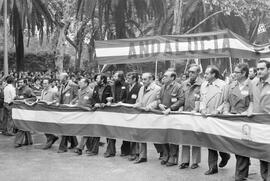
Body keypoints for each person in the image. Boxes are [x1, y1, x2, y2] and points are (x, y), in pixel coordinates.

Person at [199, 65, 231, 175]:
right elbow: (202, 99)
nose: (205, 75)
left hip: (218, 117)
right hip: (206, 117)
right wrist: (202, 109)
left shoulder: (223, 85)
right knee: (210, 141)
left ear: (214, 74)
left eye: (207, 73)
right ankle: (212, 167)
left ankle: (225, 155)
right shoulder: (203, 85)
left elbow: (226, 101)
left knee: (218, 140)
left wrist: (218, 110)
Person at [223, 63, 251, 181]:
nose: (234, 74)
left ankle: (240, 174)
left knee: (242, 147)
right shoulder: (232, 85)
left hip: (247, 120)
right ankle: (243, 167)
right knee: (236, 146)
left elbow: (254, 102)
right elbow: (227, 101)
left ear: (244, 73)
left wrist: (248, 111)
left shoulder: (252, 85)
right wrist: (225, 111)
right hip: (233, 119)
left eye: (237, 72)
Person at [156, 70, 184, 167]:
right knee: (163, 135)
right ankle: (166, 155)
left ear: (172, 78)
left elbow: (181, 100)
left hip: (173, 115)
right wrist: (159, 104)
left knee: (173, 137)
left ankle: (173, 158)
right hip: (163, 114)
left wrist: (171, 108)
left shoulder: (178, 87)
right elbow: (158, 97)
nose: (163, 78)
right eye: (163, 76)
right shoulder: (163, 87)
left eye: (165, 76)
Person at [248, 60, 270, 181]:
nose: (259, 71)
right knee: (262, 152)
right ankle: (264, 177)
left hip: (269, 124)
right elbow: (251, 100)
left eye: (262, 69)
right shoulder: (253, 82)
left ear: (269, 70)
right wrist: (250, 110)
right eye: (258, 69)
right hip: (258, 124)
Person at [133, 72, 161, 164]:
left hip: (152, 115)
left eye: (145, 79)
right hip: (142, 114)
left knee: (155, 136)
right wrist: (136, 105)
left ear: (151, 79)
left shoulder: (157, 89)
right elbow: (139, 100)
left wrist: (149, 107)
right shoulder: (141, 88)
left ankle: (163, 152)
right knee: (141, 134)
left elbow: (158, 101)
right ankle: (142, 156)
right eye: (142, 79)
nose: (143, 81)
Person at [179, 64, 202, 170]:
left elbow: (203, 99)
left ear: (198, 73)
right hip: (185, 113)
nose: (190, 74)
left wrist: (198, 109)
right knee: (185, 137)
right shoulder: (184, 83)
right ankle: (184, 161)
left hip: (196, 114)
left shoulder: (202, 84)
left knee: (196, 138)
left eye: (193, 72)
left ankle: (195, 161)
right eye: (189, 72)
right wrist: (180, 109)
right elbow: (182, 98)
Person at [105, 71, 129, 158]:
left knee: (125, 131)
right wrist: (109, 101)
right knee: (111, 130)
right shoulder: (112, 86)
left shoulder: (126, 85)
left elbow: (128, 97)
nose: (113, 78)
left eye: (115, 76)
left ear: (120, 77)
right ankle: (111, 151)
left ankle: (125, 150)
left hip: (123, 110)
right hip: (114, 110)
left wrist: (121, 102)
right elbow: (111, 95)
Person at [87, 74, 112, 156]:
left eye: (97, 78)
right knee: (96, 130)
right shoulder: (96, 87)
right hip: (98, 111)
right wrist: (95, 104)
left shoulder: (109, 87)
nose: (96, 79)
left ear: (102, 79)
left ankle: (110, 151)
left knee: (108, 131)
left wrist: (106, 103)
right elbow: (93, 98)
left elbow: (112, 97)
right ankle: (94, 150)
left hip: (107, 112)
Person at [57, 73, 78, 153]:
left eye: (60, 76)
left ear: (65, 77)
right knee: (67, 126)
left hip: (69, 109)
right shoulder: (61, 85)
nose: (59, 77)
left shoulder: (73, 85)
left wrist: (72, 102)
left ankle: (63, 147)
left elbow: (77, 96)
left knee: (65, 127)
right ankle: (74, 143)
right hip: (62, 108)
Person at [73, 78, 94, 155]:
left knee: (85, 131)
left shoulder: (91, 92)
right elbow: (79, 101)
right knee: (84, 131)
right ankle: (90, 148)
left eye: (81, 82)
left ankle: (80, 148)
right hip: (80, 114)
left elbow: (93, 103)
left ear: (86, 84)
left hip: (88, 114)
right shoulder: (79, 91)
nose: (79, 84)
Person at [125, 72, 142, 161]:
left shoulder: (139, 87)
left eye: (129, 78)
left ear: (134, 79)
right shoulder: (128, 86)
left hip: (136, 112)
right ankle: (133, 152)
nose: (127, 80)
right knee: (130, 133)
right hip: (129, 112)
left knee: (136, 133)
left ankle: (136, 153)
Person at [14, 78, 36, 148]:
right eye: (19, 82)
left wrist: (25, 100)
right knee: (25, 125)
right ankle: (29, 141)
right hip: (20, 110)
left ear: (24, 83)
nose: (19, 84)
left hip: (26, 110)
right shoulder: (18, 89)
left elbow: (34, 98)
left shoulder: (28, 89)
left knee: (21, 125)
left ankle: (18, 142)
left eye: (21, 82)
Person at [40, 78, 59, 150]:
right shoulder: (43, 91)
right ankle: (52, 137)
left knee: (47, 127)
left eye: (46, 83)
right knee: (43, 127)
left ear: (49, 84)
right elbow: (42, 99)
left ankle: (49, 142)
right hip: (43, 111)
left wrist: (51, 103)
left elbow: (57, 100)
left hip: (50, 111)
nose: (44, 85)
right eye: (43, 83)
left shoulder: (54, 91)